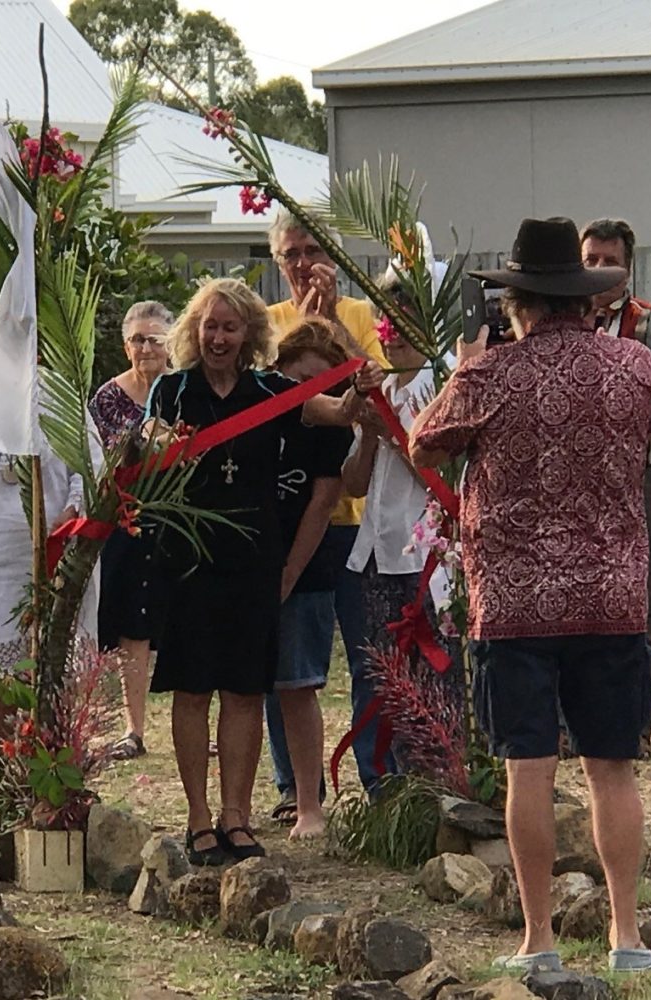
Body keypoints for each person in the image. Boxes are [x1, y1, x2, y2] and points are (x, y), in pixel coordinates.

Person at [409, 217, 651, 973]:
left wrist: (464, 367)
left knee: (530, 768)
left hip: (517, 601)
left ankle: (539, 941)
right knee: (611, 767)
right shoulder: (631, 363)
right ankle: (627, 936)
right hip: (613, 594)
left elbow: (424, 441)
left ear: (517, 301)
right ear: (585, 298)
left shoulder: (489, 375)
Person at [146, 277, 373, 866]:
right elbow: (142, 451)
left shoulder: (270, 388)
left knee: (245, 690)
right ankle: (199, 817)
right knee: (193, 689)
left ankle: (237, 817)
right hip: (189, 560)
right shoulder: (171, 391)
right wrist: (153, 444)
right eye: (209, 325)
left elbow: (329, 410)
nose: (218, 337)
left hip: (253, 561)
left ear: (248, 333)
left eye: (229, 326)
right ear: (194, 331)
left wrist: (356, 401)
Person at [266, 210, 388, 806]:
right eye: (291, 253)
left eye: (313, 249)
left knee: (367, 654)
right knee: (285, 663)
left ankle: (376, 776)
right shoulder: (263, 324)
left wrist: (332, 322)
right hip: (288, 518)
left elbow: (375, 394)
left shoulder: (362, 315)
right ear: (277, 261)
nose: (303, 262)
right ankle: (295, 785)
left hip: (353, 518)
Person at [0, 306, 100, 745]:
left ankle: (55, 791)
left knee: (57, 675)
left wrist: (72, 513)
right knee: (6, 681)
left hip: (58, 549)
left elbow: (90, 463)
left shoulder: (55, 394)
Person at [580, 218, 651, 751]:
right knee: (572, 596)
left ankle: (638, 727)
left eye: (610, 260)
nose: (600, 270)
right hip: (571, 480)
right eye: (591, 260)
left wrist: (618, 371)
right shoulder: (562, 324)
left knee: (642, 603)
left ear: (630, 266)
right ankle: (567, 726)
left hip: (637, 478)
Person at [343, 281, 462, 783]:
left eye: (401, 321)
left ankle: (439, 778)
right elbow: (353, 480)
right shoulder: (383, 388)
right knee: (381, 676)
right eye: (383, 321)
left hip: (424, 559)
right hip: (378, 550)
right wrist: (369, 427)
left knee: (433, 675)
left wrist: (393, 430)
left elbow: (441, 474)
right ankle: (386, 782)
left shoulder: (442, 388)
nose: (389, 335)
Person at [264, 317, 353, 840]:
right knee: (243, 692)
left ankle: (308, 805)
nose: (307, 392)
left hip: (308, 567)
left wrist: (288, 573)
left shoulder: (332, 430)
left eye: (322, 382)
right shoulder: (254, 413)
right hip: (246, 567)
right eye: (298, 379)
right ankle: (235, 807)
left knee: (297, 686)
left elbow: (323, 502)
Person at [89, 301, 173, 759]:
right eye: (138, 339)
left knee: (187, 620)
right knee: (132, 627)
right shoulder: (107, 398)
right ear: (125, 346)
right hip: (127, 522)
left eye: (155, 337)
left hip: (180, 519)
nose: (146, 347)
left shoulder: (183, 390)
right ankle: (134, 729)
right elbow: (96, 462)